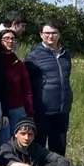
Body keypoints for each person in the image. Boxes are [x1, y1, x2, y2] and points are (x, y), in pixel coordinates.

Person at [24, 20, 73, 156]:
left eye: (54, 33)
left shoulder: (65, 55)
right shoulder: (34, 55)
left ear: (59, 34)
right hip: (42, 109)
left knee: (59, 146)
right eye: (47, 33)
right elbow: (26, 81)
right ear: (41, 34)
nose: (50, 36)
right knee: (38, 145)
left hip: (62, 109)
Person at [0, 28, 34, 141]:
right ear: (0, 41)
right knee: (2, 141)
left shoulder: (18, 64)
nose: (10, 41)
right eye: (6, 38)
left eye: (13, 39)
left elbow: (26, 89)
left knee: (18, 140)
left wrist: (29, 111)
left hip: (17, 107)